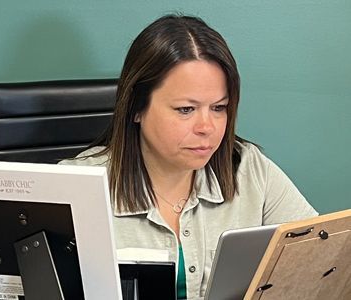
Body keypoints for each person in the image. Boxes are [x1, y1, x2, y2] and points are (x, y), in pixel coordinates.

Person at [60, 14, 318, 300]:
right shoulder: (73, 189)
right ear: (136, 108)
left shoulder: (250, 169)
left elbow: (321, 259)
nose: (207, 127)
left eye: (219, 108)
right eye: (185, 109)